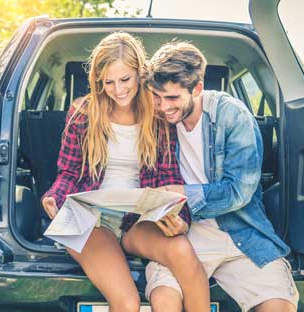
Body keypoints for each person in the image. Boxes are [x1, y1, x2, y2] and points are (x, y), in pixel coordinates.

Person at [41, 32, 210, 312]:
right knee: (127, 303)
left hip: (136, 219)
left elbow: (169, 178)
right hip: (89, 222)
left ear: (140, 74)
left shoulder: (158, 116)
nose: (118, 89)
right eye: (109, 82)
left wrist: (180, 218)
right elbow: (68, 173)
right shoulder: (83, 113)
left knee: (182, 250)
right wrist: (54, 197)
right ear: (99, 81)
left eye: (125, 80)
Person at [143, 41, 299, 312]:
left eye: (172, 98)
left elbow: (239, 191)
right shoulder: (156, 120)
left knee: (279, 307)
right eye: (157, 97)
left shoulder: (232, 115)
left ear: (198, 89)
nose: (162, 107)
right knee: (164, 300)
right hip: (184, 234)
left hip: (241, 233)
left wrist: (183, 193)